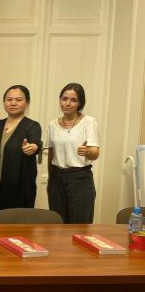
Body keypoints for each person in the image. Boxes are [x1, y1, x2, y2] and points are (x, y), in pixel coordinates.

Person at [47, 82, 99, 223]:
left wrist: (87, 151)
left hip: (80, 178)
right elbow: (51, 153)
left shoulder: (89, 122)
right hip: (57, 178)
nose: (68, 103)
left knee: (80, 225)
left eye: (73, 100)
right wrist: (51, 178)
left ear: (80, 103)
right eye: (64, 99)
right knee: (58, 224)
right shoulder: (52, 124)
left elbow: (95, 153)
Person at [0, 85, 41, 217]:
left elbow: (35, 144)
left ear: (27, 103)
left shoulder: (32, 126)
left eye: (18, 100)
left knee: (18, 224)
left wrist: (33, 147)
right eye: (9, 99)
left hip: (21, 188)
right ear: (4, 102)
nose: (13, 103)